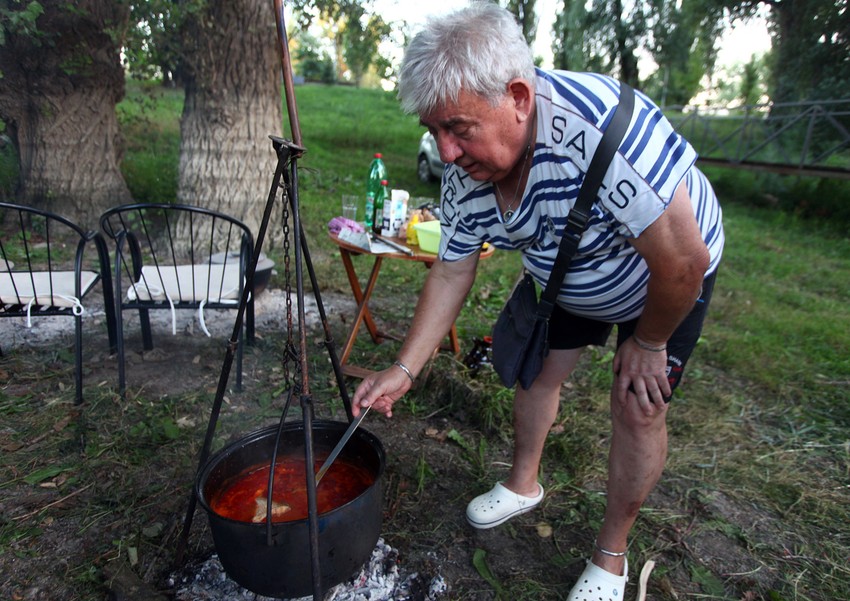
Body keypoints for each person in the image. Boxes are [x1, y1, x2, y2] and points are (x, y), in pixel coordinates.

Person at [351, 3, 724, 598]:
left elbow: (683, 261)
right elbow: (451, 270)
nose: (445, 152)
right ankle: (524, 485)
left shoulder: (605, 133)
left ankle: (611, 556)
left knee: (638, 403)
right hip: (567, 269)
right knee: (536, 374)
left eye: (458, 128)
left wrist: (650, 342)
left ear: (519, 98)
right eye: (433, 132)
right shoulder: (464, 170)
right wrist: (403, 368)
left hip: (661, 283)